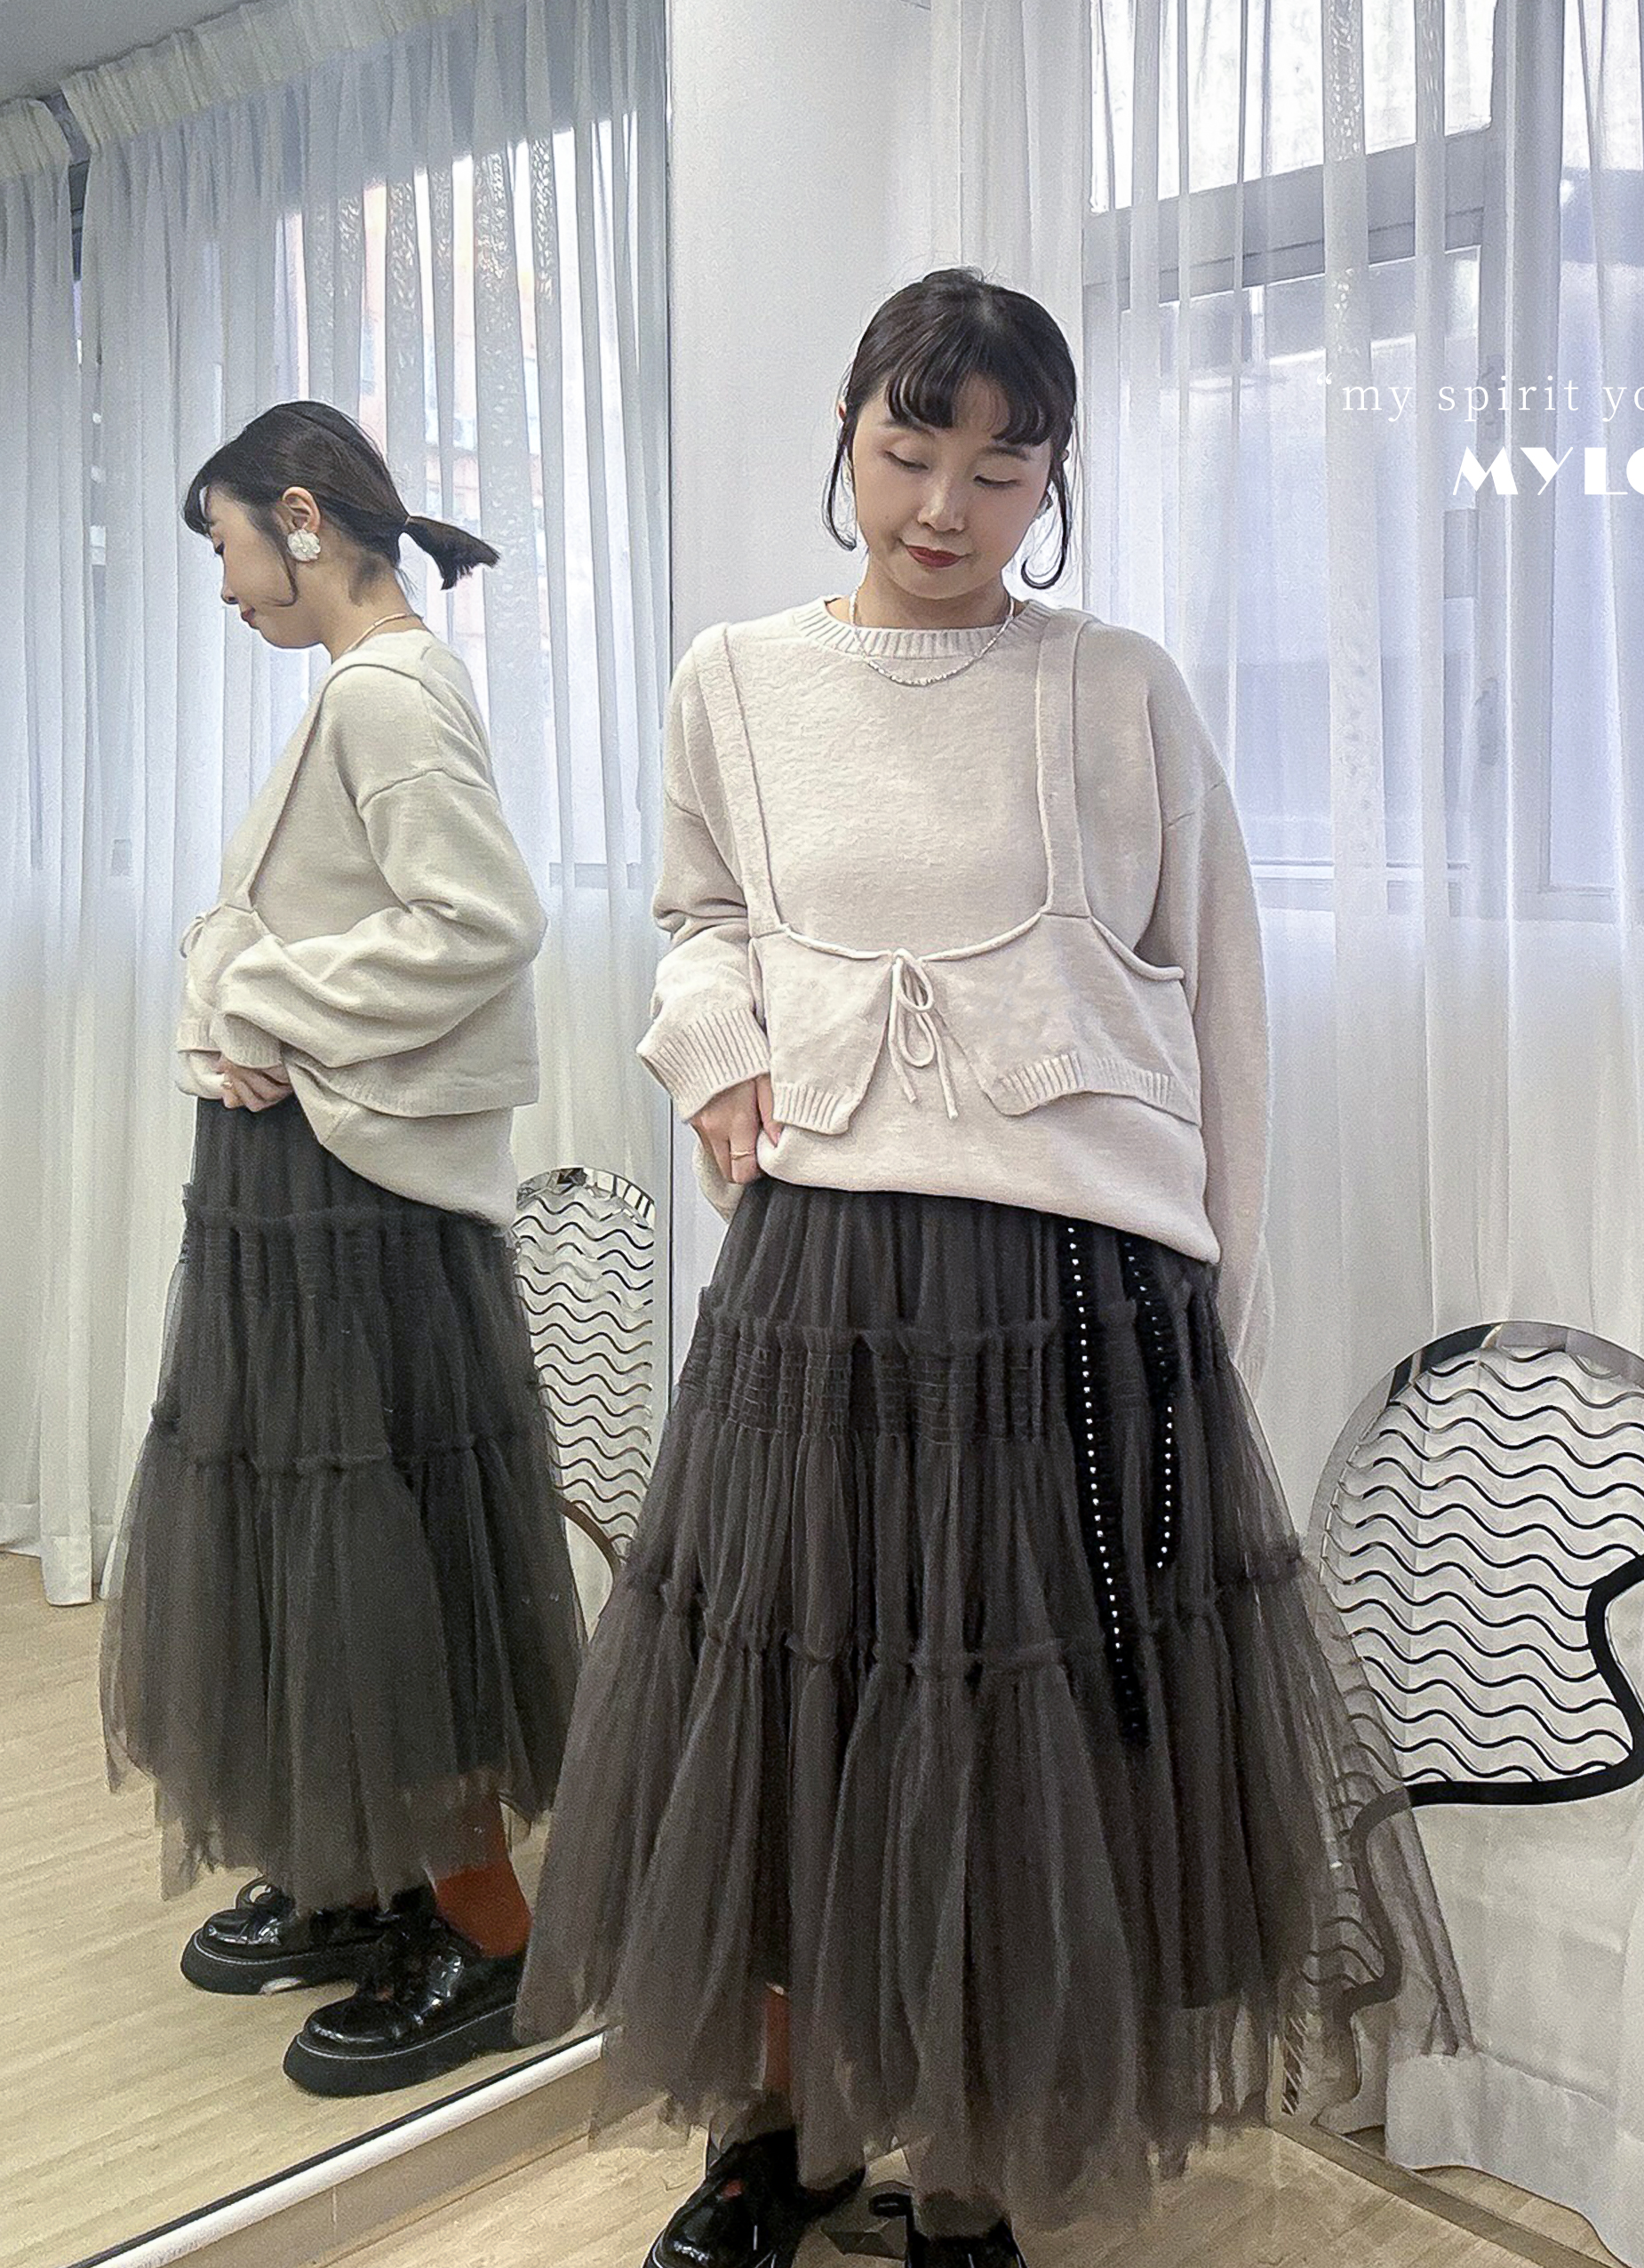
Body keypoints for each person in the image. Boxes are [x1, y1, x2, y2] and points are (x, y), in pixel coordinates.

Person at [514, 271, 1468, 2266]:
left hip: (1071, 1300)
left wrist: (1218, 1298)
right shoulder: (736, 679)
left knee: (1019, 1747)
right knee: (792, 1723)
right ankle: (779, 2141)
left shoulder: (1114, 688)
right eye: (908, 446)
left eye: (1001, 466)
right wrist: (718, 1049)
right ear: (848, 429)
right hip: (824, 1289)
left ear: (1053, 478)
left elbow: (1222, 998)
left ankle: (967, 2176)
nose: (945, 505)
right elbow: (700, 916)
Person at [99, 400, 587, 2099]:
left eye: (229, 546)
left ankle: (486, 1932)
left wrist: (264, 1000)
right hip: (307, 1198)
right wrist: (246, 996)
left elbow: (482, 922)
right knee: (323, 1551)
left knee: (384, 1557)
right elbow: (282, 921)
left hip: (351, 1212)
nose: (228, 585)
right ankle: (375, 1878)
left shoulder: (384, 691)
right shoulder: (359, 687)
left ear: (299, 518)